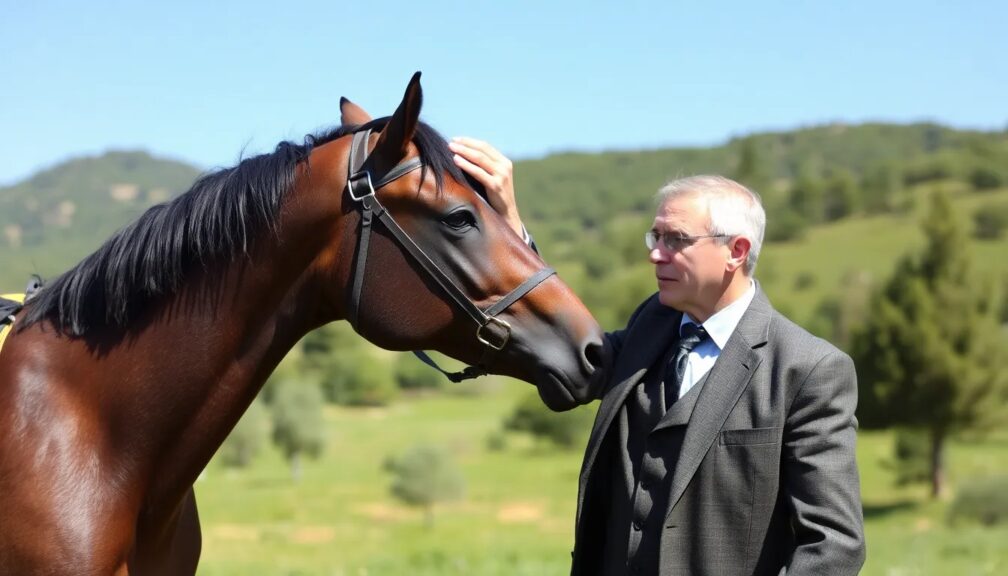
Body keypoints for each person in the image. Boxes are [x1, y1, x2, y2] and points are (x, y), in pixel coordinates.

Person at [449, 137, 866, 576]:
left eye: (676, 240)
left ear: (737, 251)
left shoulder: (808, 369)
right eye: (656, 236)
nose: (654, 254)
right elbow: (572, 359)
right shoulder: (651, 323)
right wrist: (510, 227)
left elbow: (834, 545)